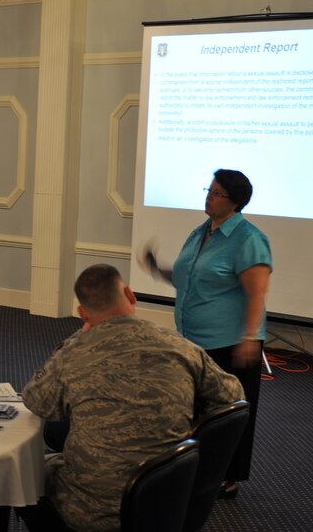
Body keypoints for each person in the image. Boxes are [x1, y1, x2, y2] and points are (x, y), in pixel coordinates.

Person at [21, 264, 244, 532]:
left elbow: (38, 402)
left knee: (22, 472)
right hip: (168, 499)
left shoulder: (73, 352)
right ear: (130, 294)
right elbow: (233, 396)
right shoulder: (180, 345)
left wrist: (77, 339)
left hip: (92, 512)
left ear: (82, 313)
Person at [143, 168, 271, 498]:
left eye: (216, 193)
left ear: (235, 202)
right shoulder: (201, 232)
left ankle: (227, 476)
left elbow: (256, 293)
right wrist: (158, 269)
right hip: (192, 339)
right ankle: (195, 469)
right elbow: (189, 276)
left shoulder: (248, 239)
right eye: (209, 190)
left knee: (228, 413)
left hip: (230, 342)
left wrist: (249, 338)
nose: (209, 197)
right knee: (197, 407)